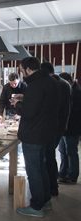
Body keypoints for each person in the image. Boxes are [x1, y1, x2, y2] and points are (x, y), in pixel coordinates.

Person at [11, 57, 59, 217]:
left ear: (28, 69)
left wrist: (16, 105)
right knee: (42, 168)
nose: (21, 72)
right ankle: (45, 201)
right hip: (46, 132)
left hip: (33, 134)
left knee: (34, 171)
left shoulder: (35, 85)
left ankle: (36, 206)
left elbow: (29, 112)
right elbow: (42, 103)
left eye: (21, 69)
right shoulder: (50, 81)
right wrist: (24, 98)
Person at [40, 62, 71, 196]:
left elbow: (52, 107)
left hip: (52, 127)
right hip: (58, 126)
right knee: (49, 156)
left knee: (48, 157)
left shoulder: (55, 84)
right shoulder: (63, 83)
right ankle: (52, 186)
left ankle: (51, 187)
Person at [58, 72, 81, 184]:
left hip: (72, 128)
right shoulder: (68, 91)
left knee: (71, 152)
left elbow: (73, 112)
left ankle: (72, 176)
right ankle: (63, 172)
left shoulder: (77, 93)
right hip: (64, 128)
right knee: (62, 151)